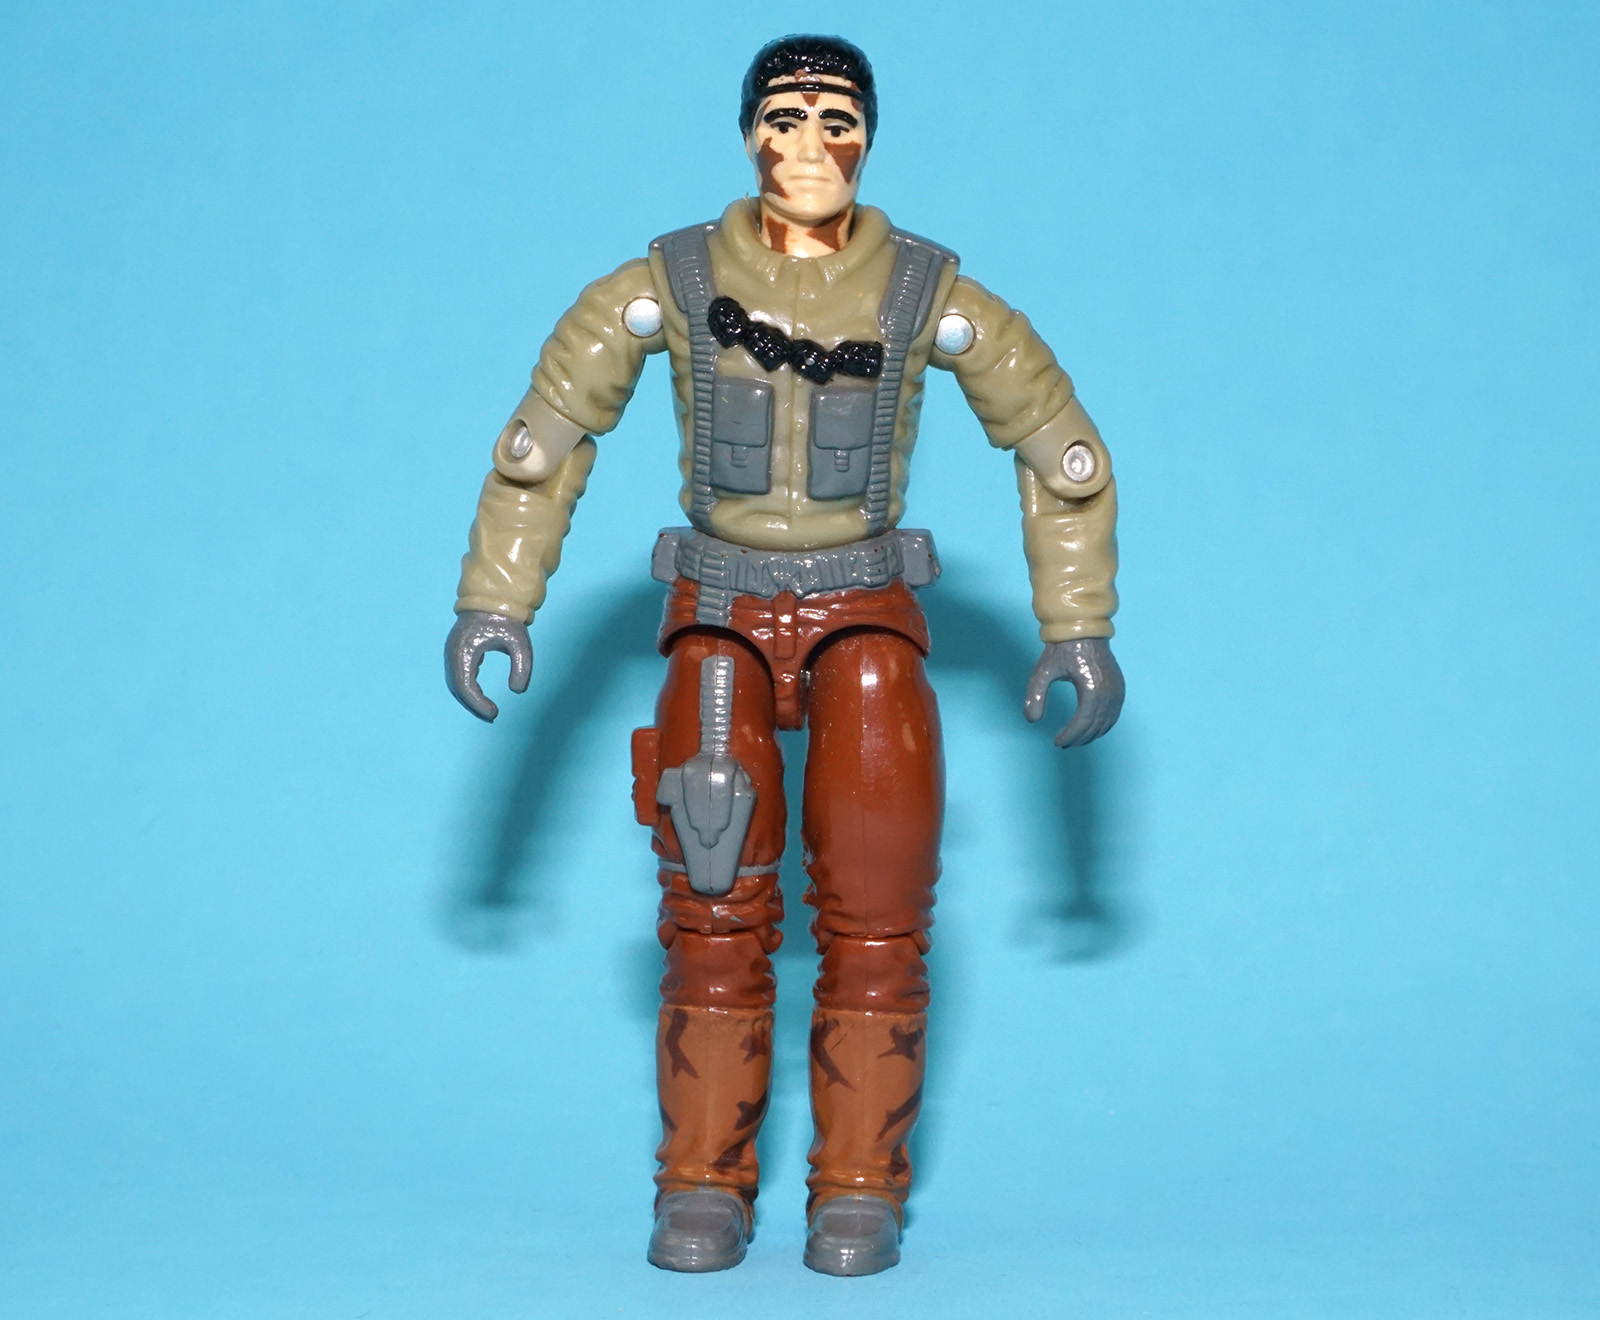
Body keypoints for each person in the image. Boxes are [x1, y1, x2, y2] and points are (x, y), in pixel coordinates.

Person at [445, 33, 1123, 1277]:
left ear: (869, 138)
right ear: (748, 132)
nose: (809, 142)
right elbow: (547, 438)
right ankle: (701, 1182)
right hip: (721, 617)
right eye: (785, 116)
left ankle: (857, 1187)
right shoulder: (671, 282)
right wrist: (497, 598)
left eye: (836, 119)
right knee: (710, 907)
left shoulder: (924, 295)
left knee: (878, 912)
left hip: (865, 613)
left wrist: (1075, 622)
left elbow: (1059, 449)